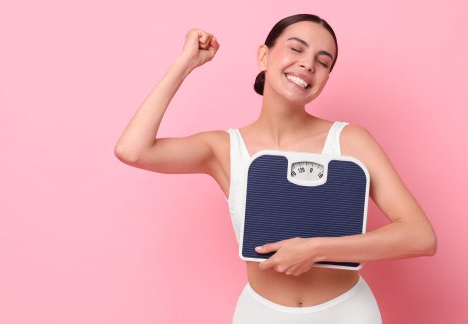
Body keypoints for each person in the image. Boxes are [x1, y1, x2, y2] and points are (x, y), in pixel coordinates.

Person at [114, 13, 437, 324]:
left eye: (323, 62)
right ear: (264, 57)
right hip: (261, 315)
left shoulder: (350, 141)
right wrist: (185, 63)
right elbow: (132, 150)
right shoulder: (224, 149)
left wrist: (317, 248)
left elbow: (420, 236)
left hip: (347, 313)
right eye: (296, 48)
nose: (308, 64)